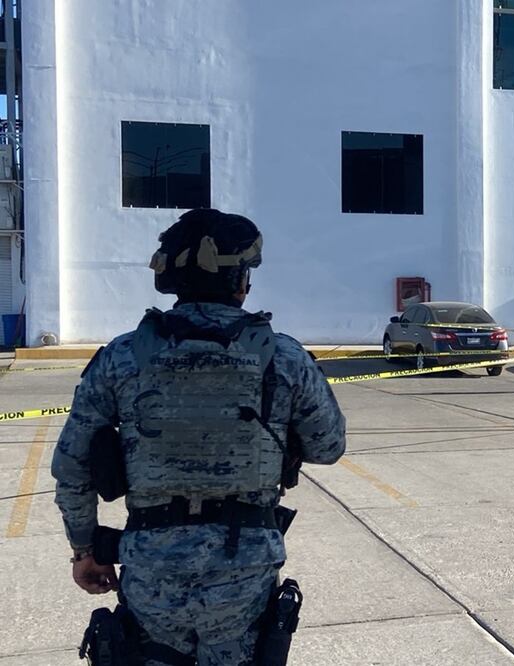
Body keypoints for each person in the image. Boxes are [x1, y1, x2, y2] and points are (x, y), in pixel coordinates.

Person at [52, 209, 346, 664]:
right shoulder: (283, 358)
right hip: (244, 572)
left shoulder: (122, 357)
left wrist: (85, 549)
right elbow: (328, 446)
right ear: (241, 280)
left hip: (151, 568)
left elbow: (73, 463)